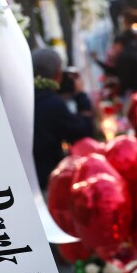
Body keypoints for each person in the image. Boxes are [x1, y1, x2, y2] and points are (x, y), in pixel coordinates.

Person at [32, 48, 94, 190]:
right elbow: (83, 131)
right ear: (58, 74)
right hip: (48, 180)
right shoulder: (52, 103)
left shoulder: (22, 96)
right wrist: (80, 94)